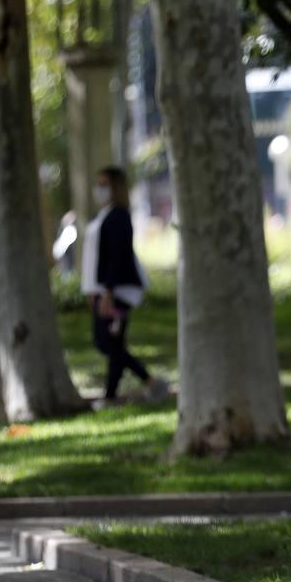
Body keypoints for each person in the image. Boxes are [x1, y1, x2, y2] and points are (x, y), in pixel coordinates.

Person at [82, 166, 167, 407]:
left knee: (109, 342)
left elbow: (118, 256)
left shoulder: (119, 216)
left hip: (116, 291)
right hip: (103, 290)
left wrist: (107, 290)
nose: (99, 189)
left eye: (104, 184)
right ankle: (117, 393)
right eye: (97, 184)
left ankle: (146, 382)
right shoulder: (104, 215)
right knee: (112, 344)